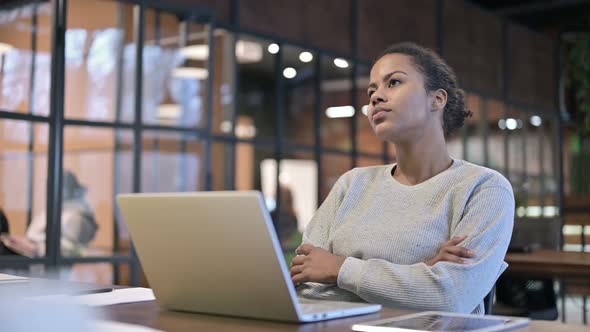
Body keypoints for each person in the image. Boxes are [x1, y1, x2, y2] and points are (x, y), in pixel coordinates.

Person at [290, 42, 514, 314]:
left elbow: (452, 296)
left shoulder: (483, 188)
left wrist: (338, 267)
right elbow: (307, 286)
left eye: (393, 82)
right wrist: (420, 272)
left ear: (437, 99)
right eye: (371, 90)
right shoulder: (352, 184)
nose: (375, 97)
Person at [0, 170, 98, 258]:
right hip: (35, 267)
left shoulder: (77, 217)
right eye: (49, 186)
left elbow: (74, 251)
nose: (49, 190)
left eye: (56, 186)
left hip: (54, 273)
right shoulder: (51, 211)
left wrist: (35, 248)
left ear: (68, 189)